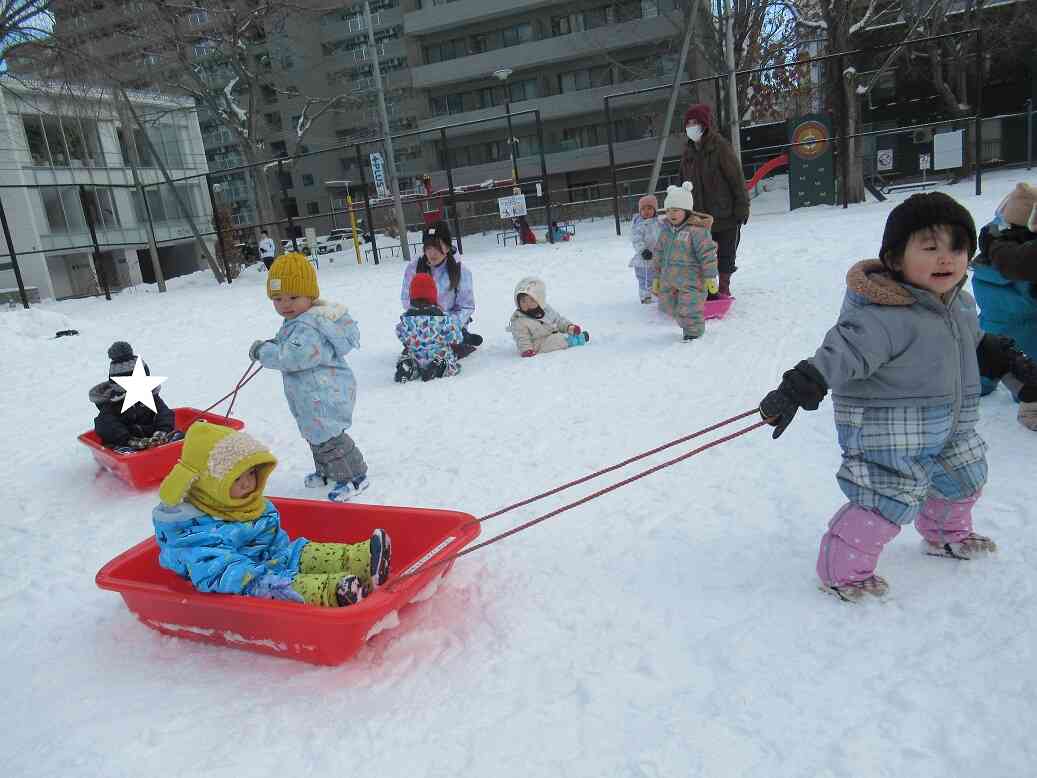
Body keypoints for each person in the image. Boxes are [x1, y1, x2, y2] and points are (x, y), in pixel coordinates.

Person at [758, 193, 1037, 601]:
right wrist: (803, 383)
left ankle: (944, 534)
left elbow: (971, 343)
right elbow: (844, 352)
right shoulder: (881, 314)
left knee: (964, 478)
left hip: (950, 423)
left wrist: (1004, 361)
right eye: (930, 248)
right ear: (894, 259)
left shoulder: (959, 303)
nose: (946, 259)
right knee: (884, 499)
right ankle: (843, 571)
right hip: (889, 429)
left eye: (957, 248)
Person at [153, 422, 391, 607]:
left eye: (252, 473)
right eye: (237, 479)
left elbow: (277, 544)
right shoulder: (192, 530)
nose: (248, 484)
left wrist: (287, 556)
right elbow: (217, 571)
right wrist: (261, 575)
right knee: (280, 587)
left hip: (272, 558)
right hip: (243, 579)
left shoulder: (245, 504)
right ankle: (333, 591)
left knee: (303, 551)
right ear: (209, 484)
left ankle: (361, 559)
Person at [249, 253, 369, 503]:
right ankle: (327, 472)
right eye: (278, 299)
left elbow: (293, 356)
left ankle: (355, 476)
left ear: (310, 296)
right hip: (309, 396)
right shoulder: (297, 321)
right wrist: (274, 343)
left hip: (324, 395)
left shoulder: (311, 326)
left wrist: (264, 352)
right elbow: (288, 344)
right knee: (315, 437)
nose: (285, 304)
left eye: (293, 297)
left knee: (330, 439)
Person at [971, 182, 1037, 430]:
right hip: (1028, 329)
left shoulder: (993, 238)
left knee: (985, 357)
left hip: (992, 322)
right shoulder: (1021, 259)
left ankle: (980, 382)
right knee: (1025, 370)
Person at [679, 103, 749, 299]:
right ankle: (709, 289)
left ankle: (724, 287)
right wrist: (677, 207)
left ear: (705, 124)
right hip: (698, 216)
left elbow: (736, 177)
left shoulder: (720, 147)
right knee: (702, 255)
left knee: (725, 254)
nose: (691, 127)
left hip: (724, 213)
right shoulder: (688, 153)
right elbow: (681, 181)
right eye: (688, 123)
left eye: (695, 122)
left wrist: (742, 206)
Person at [400, 220, 482, 359]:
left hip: (448, 322)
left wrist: (445, 322)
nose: (432, 253)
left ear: (448, 246)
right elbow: (406, 299)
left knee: (445, 347)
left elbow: (466, 307)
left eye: (438, 247)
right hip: (422, 320)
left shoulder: (461, 271)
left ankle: (462, 337)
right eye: (428, 248)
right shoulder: (414, 268)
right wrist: (423, 314)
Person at [651, 183, 718, 341]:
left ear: (686, 210)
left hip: (691, 280)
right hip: (670, 279)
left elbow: (707, 253)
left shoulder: (696, 230)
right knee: (668, 306)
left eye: (675, 210)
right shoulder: (666, 231)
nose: (671, 214)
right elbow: (659, 254)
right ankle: (686, 324)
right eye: (668, 210)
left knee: (690, 308)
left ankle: (693, 334)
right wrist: (656, 277)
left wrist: (710, 276)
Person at [89, 341, 180, 452]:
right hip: (125, 442)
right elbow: (107, 425)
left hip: (153, 440)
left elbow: (164, 413)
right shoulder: (112, 405)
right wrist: (130, 441)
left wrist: (161, 432)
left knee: (178, 435)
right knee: (121, 449)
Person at [394, 272, 464, 383]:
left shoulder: (407, 319)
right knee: (451, 364)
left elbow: (400, 333)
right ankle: (439, 367)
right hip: (438, 355)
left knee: (407, 355)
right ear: (433, 295)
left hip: (416, 356)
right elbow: (457, 337)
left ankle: (409, 366)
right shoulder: (442, 319)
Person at [508, 276, 589, 357]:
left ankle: (573, 334)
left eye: (532, 300)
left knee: (559, 334)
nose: (527, 304)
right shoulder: (519, 321)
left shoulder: (546, 310)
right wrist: (526, 350)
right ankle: (572, 340)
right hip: (539, 344)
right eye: (523, 301)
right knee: (556, 340)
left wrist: (568, 326)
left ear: (540, 299)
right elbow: (522, 338)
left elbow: (558, 320)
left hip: (551, 333)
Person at [630, 194, 663, 304]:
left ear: (655, 210)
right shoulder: (639, 225)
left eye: (649, 208)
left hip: (656, 258)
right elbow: (636, 240)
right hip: (644, 260)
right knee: (645, 280)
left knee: (657, 278)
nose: (646, 211)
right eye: (643, 209)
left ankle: (658, 296)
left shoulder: (659, 223)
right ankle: (646, 298)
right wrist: (643, 250)